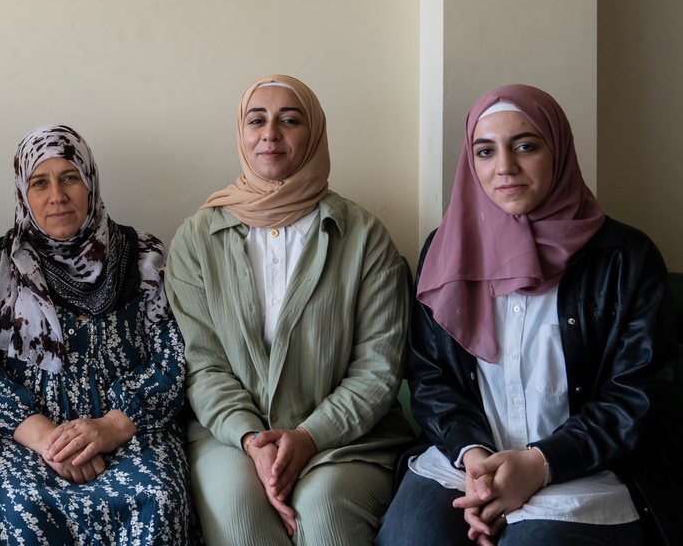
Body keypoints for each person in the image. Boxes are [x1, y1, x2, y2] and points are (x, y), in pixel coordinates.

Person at [378, 84, 680, 546]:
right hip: (465, 459)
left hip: (584, 466)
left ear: (557, 150)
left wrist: (540, 464)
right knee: (413, 536)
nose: (505, 167)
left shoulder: (626, 256)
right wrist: (477, 461)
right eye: (485, 151)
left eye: (525, 145)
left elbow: (636, 392)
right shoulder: (446, 251)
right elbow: (431, 376)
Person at [166, 75, 412, 546]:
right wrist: (253, 443)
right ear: (241, 133)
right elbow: (201, 364)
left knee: (326, 516)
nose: (270, 133)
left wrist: (309, 438)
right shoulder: (197, 238)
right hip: (230, 437)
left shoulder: (364, 237)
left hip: (347, 440)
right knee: (239, 515)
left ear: (314, 133)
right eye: (256, 120)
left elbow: (378, 369)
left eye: (290, 120)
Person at [0, 125, 202, 546]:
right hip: (25, 438)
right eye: (40, 182)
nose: (57, 195)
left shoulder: (143, 256)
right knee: (22, 510)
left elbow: (173, 360)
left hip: (131, 431)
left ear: (89, 181)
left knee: (158, 500)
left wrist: (109, 427)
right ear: (23, 192)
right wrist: (49, 440)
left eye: (69, 177)